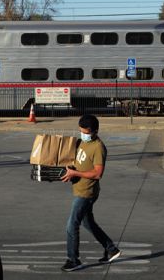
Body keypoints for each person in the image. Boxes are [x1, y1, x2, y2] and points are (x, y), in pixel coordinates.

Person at [60, 114, 121, 272]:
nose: (83, 135)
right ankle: (111, 249)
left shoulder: (98, 147)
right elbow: (79, 162)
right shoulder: (82, 142)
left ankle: (73, 260)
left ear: (94, 131)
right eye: (81, 131)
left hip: (87, 192)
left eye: (86, 132)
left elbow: (97, 173)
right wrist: (71, 170)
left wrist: (76, 174)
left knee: (71, 224)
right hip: (79, 188)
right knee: (88, 223)